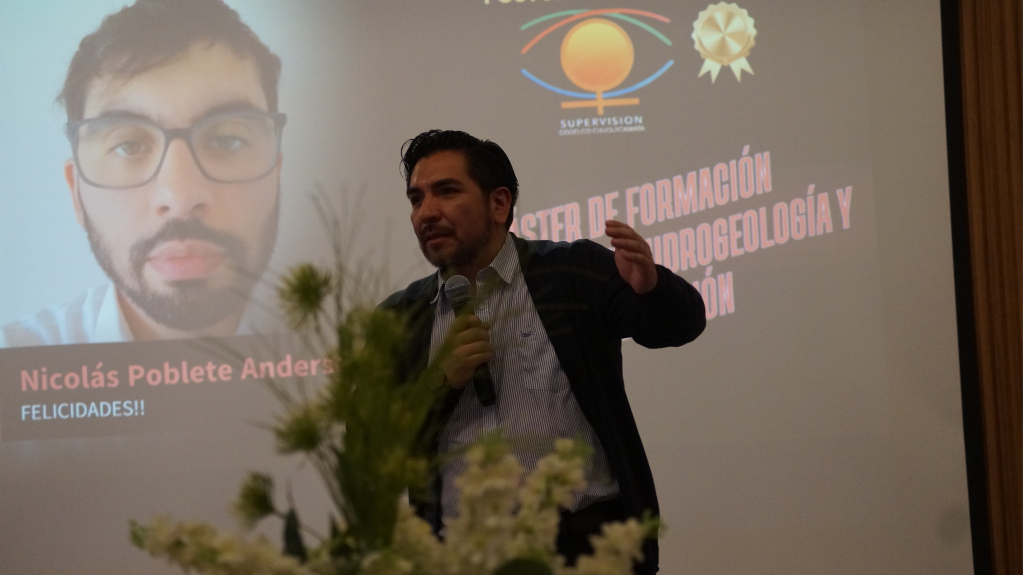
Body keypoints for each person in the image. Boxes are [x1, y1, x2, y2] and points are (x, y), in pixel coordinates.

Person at [381, 130, 706, 573]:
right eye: (416, 199)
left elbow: (681, 325)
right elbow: (372, 448)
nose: (427, 212)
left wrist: (651, 289)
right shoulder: (400, 318)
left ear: (499, 204)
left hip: (585, 547)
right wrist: (440, 382)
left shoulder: (571, 272)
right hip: (463, 555)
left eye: (447, 191)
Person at [1, 0, 285, 347]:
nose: (180, 199)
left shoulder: (345, 355)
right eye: (129, 146)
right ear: (77, 193)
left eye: (227, 140)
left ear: (276, 174)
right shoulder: (11, 365)